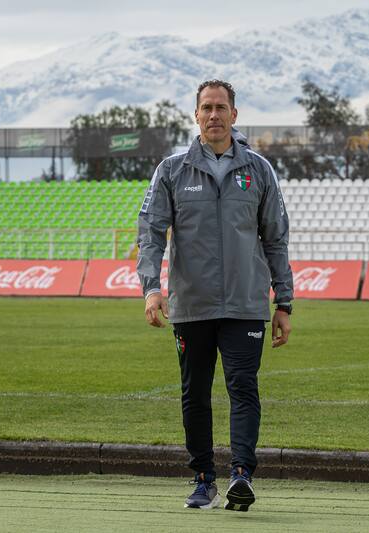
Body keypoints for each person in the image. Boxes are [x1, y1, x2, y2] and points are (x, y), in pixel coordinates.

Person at [136, 79, 293, 512]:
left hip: (245, 304)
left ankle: (241, 475)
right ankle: (203, 479)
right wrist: (151, 289)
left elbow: (276, 238)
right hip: (192, 304)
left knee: (243, 387)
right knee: (195, 393)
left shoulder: (259, 169)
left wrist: (284, 303)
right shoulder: (171, 170)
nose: (214, 115)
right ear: (196, 114)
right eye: (206, 107)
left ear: (234, 115)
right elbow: (150, 234)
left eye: (221, 107)